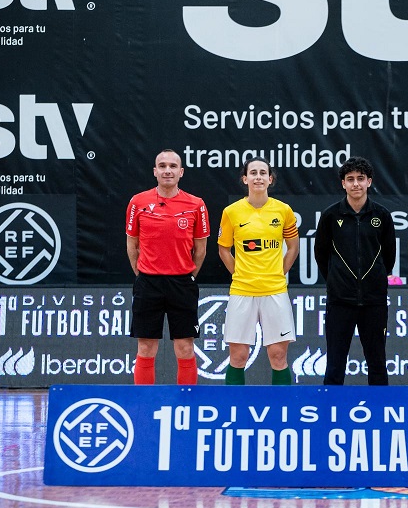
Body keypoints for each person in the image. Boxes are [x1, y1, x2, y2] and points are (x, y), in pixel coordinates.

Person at [126, 149, 210, 385]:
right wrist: (142, 274)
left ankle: (186, 402)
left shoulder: (196, 204)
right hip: (148, 283)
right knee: (146, 347)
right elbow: (132, 244)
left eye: (173, 166)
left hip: (181, 283)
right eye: (162, 166)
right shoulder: (137, 202)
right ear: (155, 171)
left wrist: (188, 275)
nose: (167, 171)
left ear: (181, 172)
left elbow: (201, 249)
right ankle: (145, 401)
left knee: (185, 347)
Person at [314, 157, 396, 385]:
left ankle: (379, 407)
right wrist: (337, 281)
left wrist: (375, 280)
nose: (356, 184)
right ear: (343, 184)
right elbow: (321, 254)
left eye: (361, 178)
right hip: (340, 301)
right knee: (335, 365)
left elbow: (389, 256)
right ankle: (332, 407)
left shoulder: (382, 215)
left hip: (374, 301)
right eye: (350, 179)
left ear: (369, 181)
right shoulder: (330, 216)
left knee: (377, 363)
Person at [217, 156, 299, 385]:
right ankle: (235, 404)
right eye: (253, 173)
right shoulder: (231, 212)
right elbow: (223, 249)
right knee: (238, 356)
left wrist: (280, 272)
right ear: (245, 179)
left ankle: (281, 405)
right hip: (242, 290)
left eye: (263, 173)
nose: (258, 177)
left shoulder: (283, 210)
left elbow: (293, 247)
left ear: (270, 179)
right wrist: (239, 273)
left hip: (275, 290)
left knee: (278, 356)